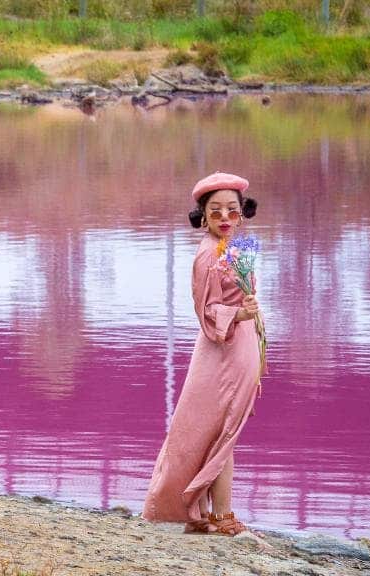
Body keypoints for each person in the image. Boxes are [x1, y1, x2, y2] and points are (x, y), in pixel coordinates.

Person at [141, 171, 264, 536]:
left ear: (242, 213)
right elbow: (206, 311)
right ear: (203, 216)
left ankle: (212, 513)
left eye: (231, 210)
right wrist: (241, 313)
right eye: (215, 212)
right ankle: (220, 516)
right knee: (216, 433)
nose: (224, 218)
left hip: (238, 347)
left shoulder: (230, 249)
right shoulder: (209, 254)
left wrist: (248, 312)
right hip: (221, 352)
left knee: (219, 433)